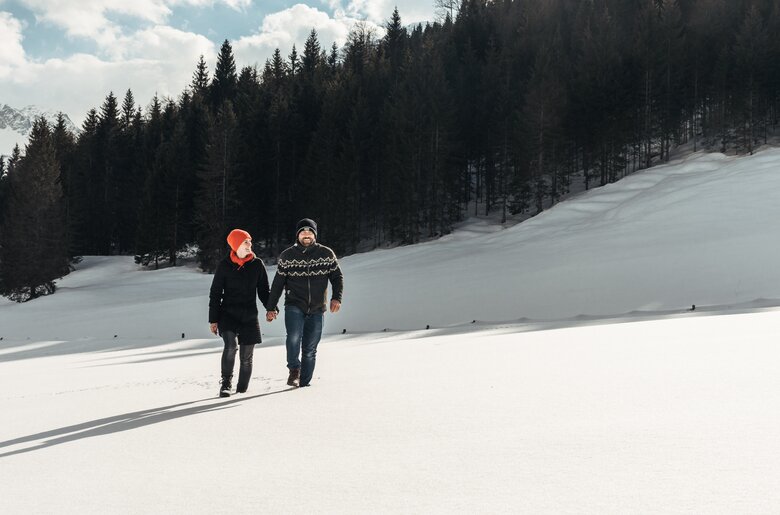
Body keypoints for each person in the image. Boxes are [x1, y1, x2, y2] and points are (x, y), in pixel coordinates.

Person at [266, 218, 343, 387]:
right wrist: (271, 307)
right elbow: (278, 284)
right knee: (294, 337)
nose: (306, 234)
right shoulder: (287, 256)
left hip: (317, 308)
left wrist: (337, 297)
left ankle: (304, 383)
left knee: (310, 348)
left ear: (314, 234)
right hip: (294, 304)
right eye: (303, 232)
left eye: (309, 232)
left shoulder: (326, 254)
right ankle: (294, 370)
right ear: (298, 235)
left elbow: (337, 277)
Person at [209, 229, 270, 397]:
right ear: (236, 245)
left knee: (247, 356)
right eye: (245, 242)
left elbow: (264, 291)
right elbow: (215, 294)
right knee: (231, 346)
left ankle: (242, 389)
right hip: (228, 315)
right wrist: (213, 320)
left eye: (250, 241)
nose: (250, 245)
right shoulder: (225, 265)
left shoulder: (257, 264)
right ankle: (226, 383)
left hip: (249, 316)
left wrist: (271, 308)